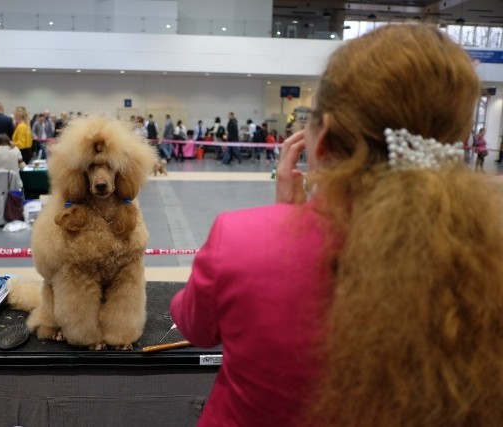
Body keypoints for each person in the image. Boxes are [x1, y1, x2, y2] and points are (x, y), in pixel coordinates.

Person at [170, 25, 503, 426]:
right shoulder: (488, 255)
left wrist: (280, 223)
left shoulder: (240, 240)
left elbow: (194, 326)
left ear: (322, 137)